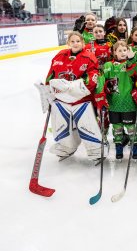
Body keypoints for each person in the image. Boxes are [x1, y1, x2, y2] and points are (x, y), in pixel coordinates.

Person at [40, 32, 103, 160]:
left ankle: (95, 149)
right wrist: (47, 90)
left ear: (83, 43)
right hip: (62, 100)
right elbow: (51, 75)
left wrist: (70, 88)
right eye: (72, 41)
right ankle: (66, 146)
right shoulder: (59, 56)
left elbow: (92, 80)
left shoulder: (89, 57)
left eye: (78, 41)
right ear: (68, 43)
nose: (75, 44)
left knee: (87, 125)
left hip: (82, 100)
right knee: (62, 125)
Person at [100, 41, 137, 159]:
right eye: (120, 50)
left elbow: (136, 73)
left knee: (131, 128)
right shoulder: (108, 66)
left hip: (129, 103)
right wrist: (104, 92)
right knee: (117, 128)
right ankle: (118, 146)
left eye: (125, 50)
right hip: (114, 104)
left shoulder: (133, 64)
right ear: (114, 52)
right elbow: (102, 82)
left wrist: (132, 59)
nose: (123, 53)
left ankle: (135, 147)